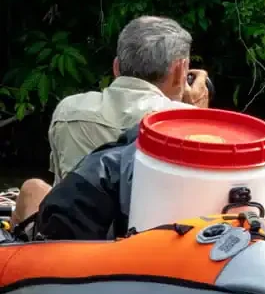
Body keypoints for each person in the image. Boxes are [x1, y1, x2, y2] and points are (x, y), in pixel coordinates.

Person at [10, 16, 211, 223]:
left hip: (70, 236)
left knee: (32, 188)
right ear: (180, 71)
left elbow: (61, 184)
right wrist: (198, 114)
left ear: (116, 67)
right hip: (144, 242)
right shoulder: (183, 122)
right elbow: (199, 189)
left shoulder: (68, 110)